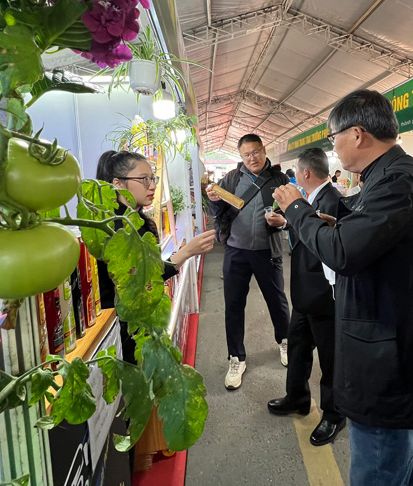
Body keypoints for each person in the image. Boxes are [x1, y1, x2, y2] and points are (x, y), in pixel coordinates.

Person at [273, 90, 413, 486]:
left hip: (387, 361)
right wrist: (334, 224)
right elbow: (368, 241)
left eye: (334, 137)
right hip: (393, 349)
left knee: (381, 466)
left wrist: (296, 209)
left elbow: (343, 253)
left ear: (357, 134)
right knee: (411, 464)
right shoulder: (390, 177)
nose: (333, 148)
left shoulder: (397, 180)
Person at [95, 150, 215, 365]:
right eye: (144, 179)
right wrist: (187, 252)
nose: (152, 186)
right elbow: (144, 281)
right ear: (118, 183)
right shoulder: (118, 228)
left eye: (153, 178)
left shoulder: (133, 220)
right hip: (124, 328)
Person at [266, 148, 345, 446]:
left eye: (297, 173)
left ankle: (334, 414)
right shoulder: (311, 200)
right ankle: (297, 397)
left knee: (330, 357)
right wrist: (286, 222)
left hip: (325, 295)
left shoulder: (333, 201)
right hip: (305, 293)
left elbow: (331, 247)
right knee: (298, 347)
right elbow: (310, 232)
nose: (296, 178)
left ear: (306, 173)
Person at [207, 134, 291, 390]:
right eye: (247, 154)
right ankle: (236, 358)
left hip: (268, 251)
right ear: (241, 156)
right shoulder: (231, 179)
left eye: (256, 152)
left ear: (264, 151)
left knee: (277, 301)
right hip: (236, 251)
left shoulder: (280, 179)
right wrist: (213, 201)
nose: (252, 158)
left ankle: (285, 341)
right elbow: (217, 212)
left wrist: (284, 221)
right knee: (233, 305)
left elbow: (292, 211)